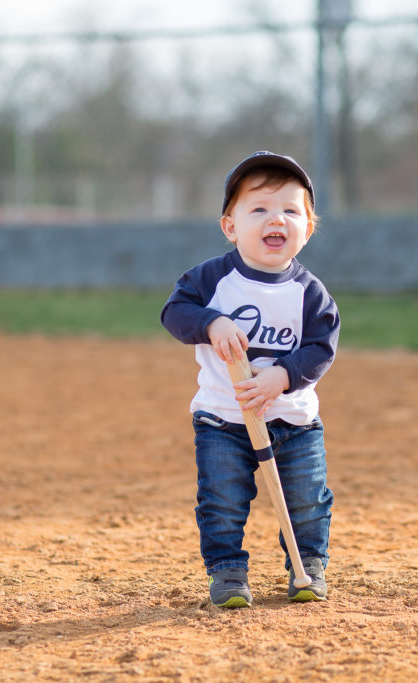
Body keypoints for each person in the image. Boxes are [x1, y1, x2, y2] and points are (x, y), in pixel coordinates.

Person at [160, 151, 340, 608]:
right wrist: (211, 323)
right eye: (258, 209)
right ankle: (228, 573)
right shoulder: (212, 280)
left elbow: (321, 347)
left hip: (293, 422)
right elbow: (174, 313)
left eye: (289, 210)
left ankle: (308, 566)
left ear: (308, 229)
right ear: (231, 226)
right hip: (223, 419)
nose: (274, 219)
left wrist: (281, 375)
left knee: (307, 501)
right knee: (221, 501)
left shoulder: (310, 293)